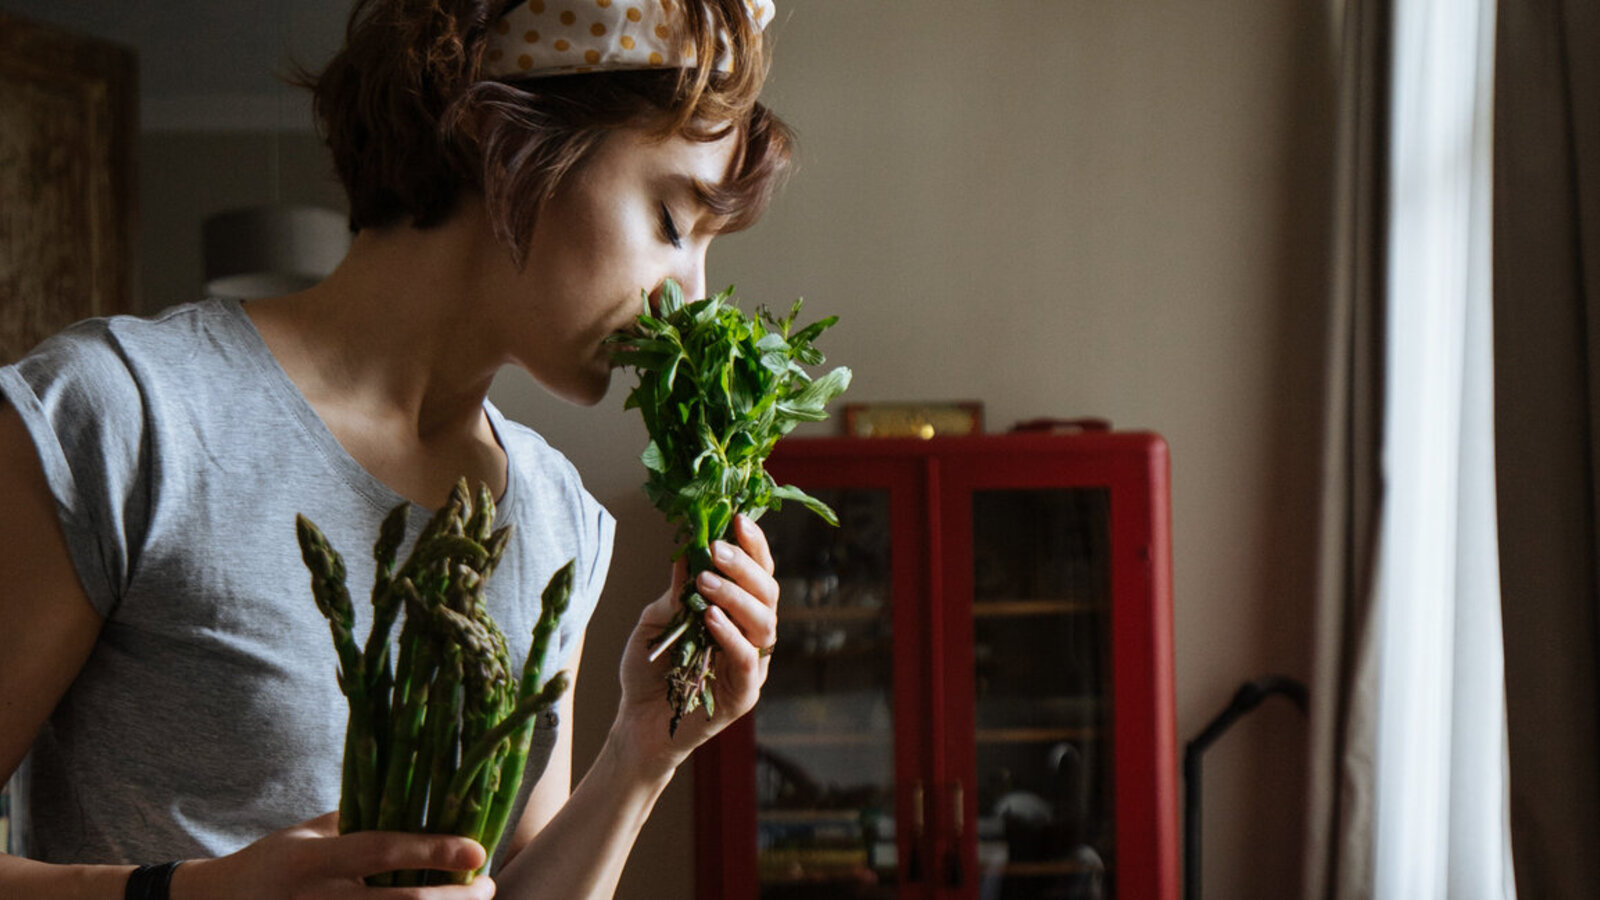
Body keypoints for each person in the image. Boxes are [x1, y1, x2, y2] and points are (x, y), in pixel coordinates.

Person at [0, 0, 792, 896]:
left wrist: (643, 755)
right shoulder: (120, 416)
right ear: (504, 139)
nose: (687, 304)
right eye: (672, 222)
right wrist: (185, 893)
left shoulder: (561, 516)